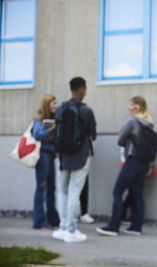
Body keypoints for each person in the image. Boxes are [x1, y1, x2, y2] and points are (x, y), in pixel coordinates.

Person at [96, 96, 153, 236]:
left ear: (137, 107)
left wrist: (126, 141)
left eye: (131, 105)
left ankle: (113, 227)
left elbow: (120, 139)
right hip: (144, 163)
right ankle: (136, 227)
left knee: (117, 191)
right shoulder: (149, 123)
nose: (129, 107)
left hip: (133, 160)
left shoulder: (132, 121)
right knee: (137, 193)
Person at [52, 77, 97, 243]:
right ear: (83, 89)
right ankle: (71, 231)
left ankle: (62, 227)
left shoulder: (59, 109)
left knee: (62, 191)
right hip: (81, 156)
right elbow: (93, 135)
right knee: (74, 192)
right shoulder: (86, 111)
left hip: (62, 156)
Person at [31, 94, 60, 230]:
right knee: (41, 188)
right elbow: (37, 135)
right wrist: (50, 129)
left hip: (51, 156)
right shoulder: (39, 118)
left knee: (51, 189)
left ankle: (53, 219)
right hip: (42, 156)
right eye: (53, 103)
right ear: (46, 104)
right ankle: (39, 222)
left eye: (55, 103)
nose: (55, 106)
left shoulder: (54, 119)